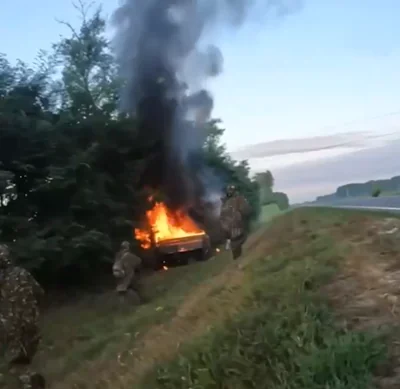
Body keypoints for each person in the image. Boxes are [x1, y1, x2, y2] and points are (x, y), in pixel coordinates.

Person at [0, 244, 46, 389]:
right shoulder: (22, 273)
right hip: (30, 323)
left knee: (15, 362)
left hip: (10, 327)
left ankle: (29, 382)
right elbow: (40, 293)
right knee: (27, 355)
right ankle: (31, 378)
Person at [220, 185, 251, 259]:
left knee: (238, 244)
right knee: (235, 247)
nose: (230, 192)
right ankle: (237, 261)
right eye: (229, 190)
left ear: (234, 191)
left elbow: (246, 210)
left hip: (238, 226)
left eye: (231, 190)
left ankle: (240, 260)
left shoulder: (239, 199)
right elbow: (223, 216)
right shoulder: (225, 202)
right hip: (230, 228)